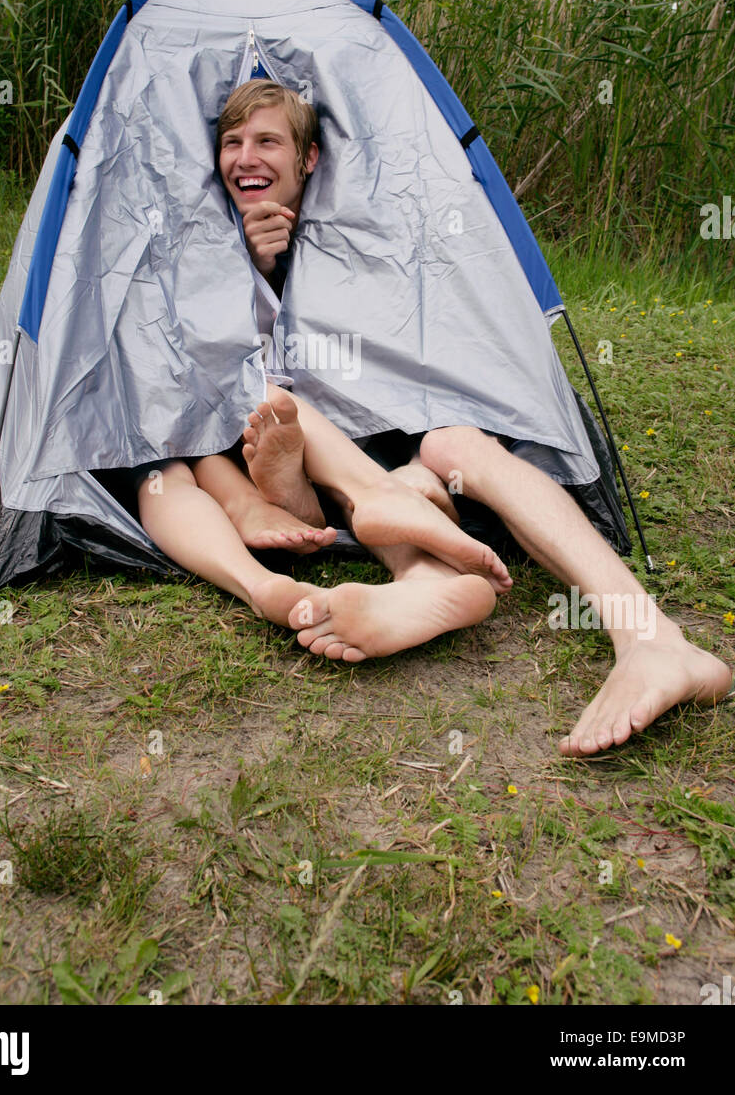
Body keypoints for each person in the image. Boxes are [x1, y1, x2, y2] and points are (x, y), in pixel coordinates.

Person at [137, 80, 732, 754]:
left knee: (453, 447)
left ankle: (646, 635)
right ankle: (409, 562)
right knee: (288, 418)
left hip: (396, 446)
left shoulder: (370, 230)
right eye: (232, 142)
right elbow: (193, 360)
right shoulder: (204, 239)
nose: (246, 155)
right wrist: (248, 268)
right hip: (309, 448)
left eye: (268, 140)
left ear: (308, 159)